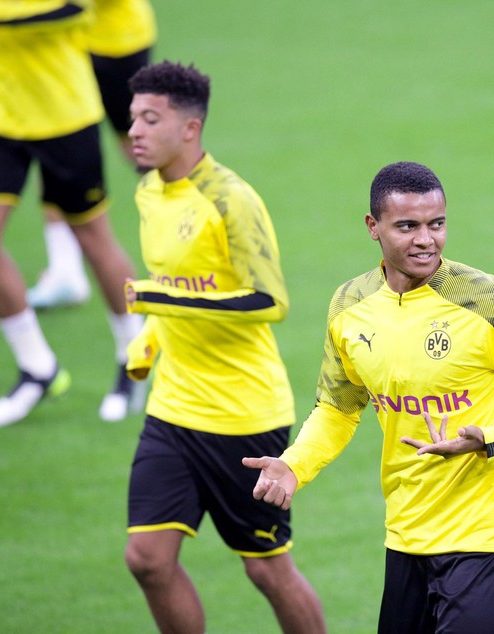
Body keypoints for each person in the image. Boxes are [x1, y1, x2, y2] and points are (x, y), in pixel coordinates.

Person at [244, 161, 494, 634]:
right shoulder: (349, 306)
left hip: (491, 537)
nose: (426, 239)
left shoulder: (491, 301)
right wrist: (294, 463)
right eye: (407, 226)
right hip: (407, 535)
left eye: (437, 224)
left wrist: (487, 439)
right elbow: (339, 406)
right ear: (373, 227)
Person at [122, 61, 326, 634]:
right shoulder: (148, 192)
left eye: (149, 118)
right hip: (173, 408)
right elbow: (180, 284)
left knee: (266, 572)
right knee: (147, 560)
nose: (134, 129)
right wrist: (149, 336)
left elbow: (269, 301)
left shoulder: (231, 200)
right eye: (133, 116)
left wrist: (161, 301)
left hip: (243, 417)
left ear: (190, 128)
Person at [0, 0, 143, 428]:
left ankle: (135, 358)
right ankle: (37, 367)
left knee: (93, 239)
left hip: (66, 117)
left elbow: (72, 8)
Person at [27, 0, 157, 312]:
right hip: (59, 48)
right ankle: (64, 269)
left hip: (115, 44)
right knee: (54, 145)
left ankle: (195, 230)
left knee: (142, 147)